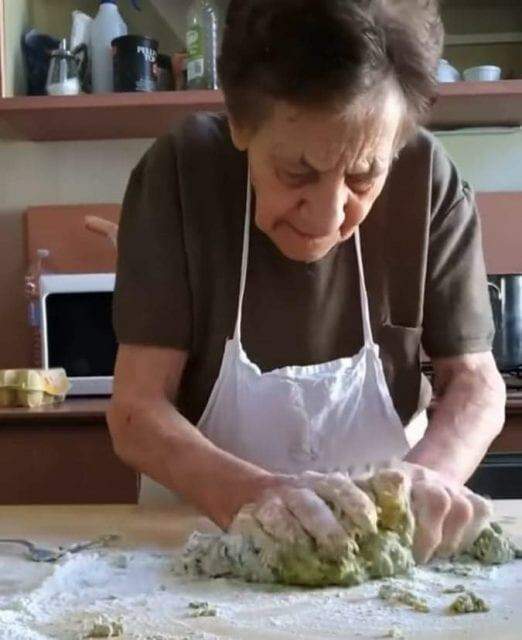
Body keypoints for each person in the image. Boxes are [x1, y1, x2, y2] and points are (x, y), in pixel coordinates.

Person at [106, 0, 506, 564]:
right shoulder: (183, 171)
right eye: (297, 173)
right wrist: (254, 499)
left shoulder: (429, 180)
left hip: (383, 554)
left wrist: (427, 481)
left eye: (365, 174)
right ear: (242, 126)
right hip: (199, 540)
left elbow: (477, 386)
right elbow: (136, 411)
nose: (328, 217)